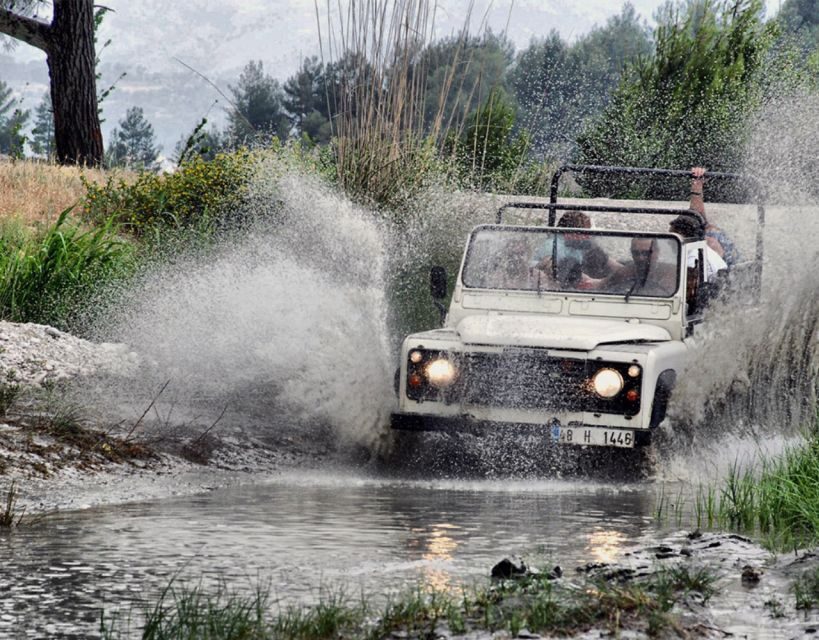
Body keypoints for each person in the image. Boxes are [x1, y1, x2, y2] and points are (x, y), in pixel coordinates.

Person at [688, 167, 738, 269]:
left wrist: (697, 186)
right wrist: (697, 185)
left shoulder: (714, 238)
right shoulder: (682, 246)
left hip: (724, 266)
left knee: (711, 237)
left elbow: (698, 219)